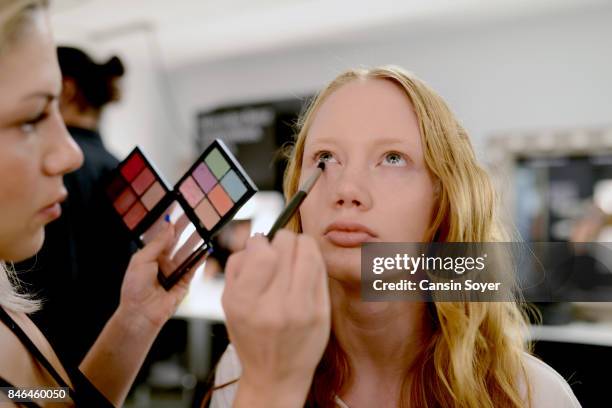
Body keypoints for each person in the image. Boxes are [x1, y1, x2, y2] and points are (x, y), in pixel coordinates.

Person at [209, 67, 582, 407]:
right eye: (326, 157)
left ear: (445, 197)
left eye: (392, 158)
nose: (348, 189)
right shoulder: (248, 368)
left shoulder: (533, 398)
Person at [0, 1, 198, 406]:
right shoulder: (119, 170)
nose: (70, 155)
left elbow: (55, 400)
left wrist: (136, 320)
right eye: (33, 115)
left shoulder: (10, 313)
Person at [16, 45, 136, 368]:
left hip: (55, 352)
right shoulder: (122, 169)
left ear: (65, 90)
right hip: (108, 350)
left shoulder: (60, 170)